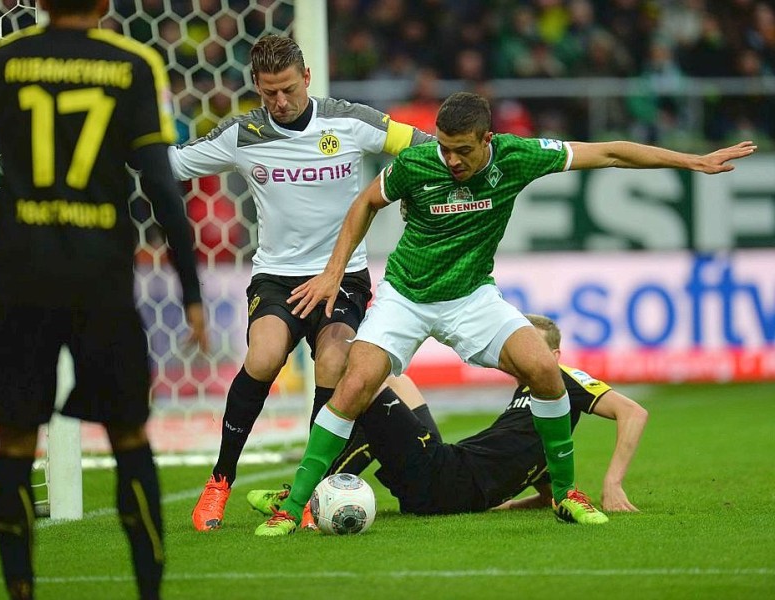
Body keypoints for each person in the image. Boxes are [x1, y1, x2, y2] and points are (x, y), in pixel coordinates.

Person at [258, 91, 757, 536]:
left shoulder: (518, 157)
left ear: (488, 139)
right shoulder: (417, 163)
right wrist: (333, 271)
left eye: (462, 150)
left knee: (544, 368)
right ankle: (292, 508)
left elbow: (608, 152)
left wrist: (691, 161)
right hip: (406, 295)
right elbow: (366, 202)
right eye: (443, 147)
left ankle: (565, 495)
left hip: (472, 296)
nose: (450, 158)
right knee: (353, 384)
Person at [0, 1, 207, 598]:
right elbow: (161, 186)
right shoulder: (134, 62)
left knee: (17, 444)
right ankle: (149, 593)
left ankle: (20, 590)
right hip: (100, 278)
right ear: (104, 5)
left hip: (22, 274)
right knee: (130, 437)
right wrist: (192, 292)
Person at [167, 35, 434, 532]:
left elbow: (422, 147)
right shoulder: (242, 134)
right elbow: (173, 164)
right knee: (264, 357)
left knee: (334, 360)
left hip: (342, 276)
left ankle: (308, 491)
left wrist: (407, 187)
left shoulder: (350, 120)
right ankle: (219, 482)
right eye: (269, 93)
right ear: (256, 87)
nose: (280, 102)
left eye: (288, 89)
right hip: (277, 276)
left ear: (307, 78)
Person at [247, 315, 648, 517]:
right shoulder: (542, 422)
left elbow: (633, 412)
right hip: (447, 474)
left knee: (362, 382)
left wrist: (611, 485)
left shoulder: (563, 378)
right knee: (397, 382)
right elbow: (546, 493)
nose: (524, 355)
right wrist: (499, 505)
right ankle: (326, 483)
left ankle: (304, 496)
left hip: (446, 478)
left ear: (555, 358)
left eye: (534, 349)